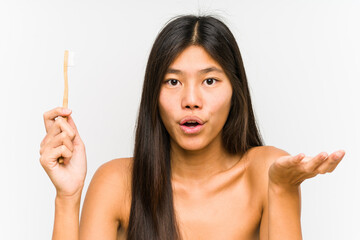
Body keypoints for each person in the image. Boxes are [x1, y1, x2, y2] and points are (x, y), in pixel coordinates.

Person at [39, 15, 345, 240]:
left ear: (235, 91)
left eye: (209, 81)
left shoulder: (266, 171)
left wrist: (282, 189)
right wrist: (67, 197)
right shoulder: (116, 183)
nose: (191, 100)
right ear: (153, 95)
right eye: (173, 82)